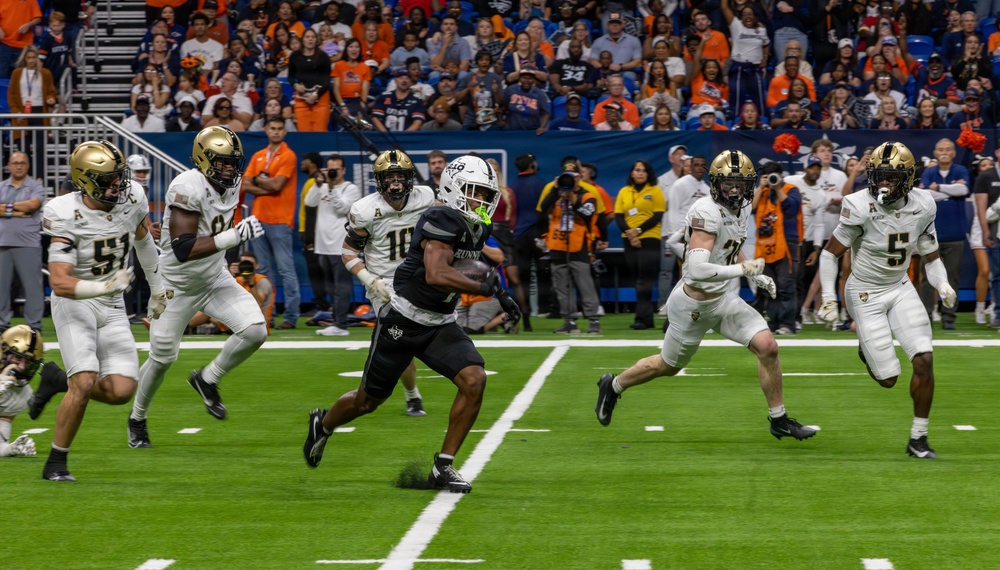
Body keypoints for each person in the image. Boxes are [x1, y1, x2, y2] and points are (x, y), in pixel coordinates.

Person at [303, 155, 521, 494]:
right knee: (367, 401)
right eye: (474, 191)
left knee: (474, 379)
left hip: (440, 323)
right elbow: (436, 274)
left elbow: (462, 264)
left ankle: (443, 467)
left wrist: (498, 289)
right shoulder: (440, 216)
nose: (480, 200)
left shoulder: (474, 222)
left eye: (484, 193)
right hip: (403, 319)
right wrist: (485, 285)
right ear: (453, 189)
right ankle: (324, 423)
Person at [597, 150, 814, 444]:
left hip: (722, 298)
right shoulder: (706, 210)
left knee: (768, 347)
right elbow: (697, 269)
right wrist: (743, 269)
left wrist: (753, 274)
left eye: (740, 183)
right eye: (728, 183)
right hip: (693, 306)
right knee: (668, 366)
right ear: (715, 184)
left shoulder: (743, 207)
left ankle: (779, 419)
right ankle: (614, 386)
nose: (735, 189)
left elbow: (730, 245)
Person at [128, 126, 267, 447]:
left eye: (234, 162)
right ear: (204, 160)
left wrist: (229, 251)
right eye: (222, 162)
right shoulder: (187, 187)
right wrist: (234, 237)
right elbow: (182, 246)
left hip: (214, 277)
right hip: (175, 286)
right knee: (162, 359)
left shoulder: (229, 186)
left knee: (256, 330)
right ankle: (137, 417)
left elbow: (216, 230)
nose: (230, 169)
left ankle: (207, 379)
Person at [40, 140, 169, 481]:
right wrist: (102, 287)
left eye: (119, 177)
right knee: (83, 381)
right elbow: (59, 282)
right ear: (85, 180)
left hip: (113, 304)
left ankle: (55, 380)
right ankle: (56, 462)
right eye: (108, 180)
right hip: (76, 302)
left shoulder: (132, 198)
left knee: (121, 391)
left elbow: (143, 239)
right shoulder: (63, 212)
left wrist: (158, 291)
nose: (118, 186)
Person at [817, 141, 953, 459]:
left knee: (924, 360)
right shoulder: (858, 204)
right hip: (864, 292)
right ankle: (866, 349)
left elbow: (931, 256)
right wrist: (827, 298)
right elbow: (829, 255)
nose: (883, 183)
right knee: (889, 379)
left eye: (891, 177)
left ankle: (918, 439)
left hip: (900, 286)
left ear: (908, 179)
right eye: (879, 176)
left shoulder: (924, 204)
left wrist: (942, 283)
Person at [340, 149, 435, 415]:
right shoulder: (365, 210)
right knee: (402, 341)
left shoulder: (426, 197)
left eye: (401, 176)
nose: (396, 183)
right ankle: (412, 395)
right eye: (389, 177)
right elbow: (348, 253)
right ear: (379, 180)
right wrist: (369, 279)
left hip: (420, 277)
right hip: (385, 283)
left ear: (410, 177)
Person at [243, 117, 301, 329]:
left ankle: (291, 317)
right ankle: (267, 315)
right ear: (266, 130)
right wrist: (264, 185)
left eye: (279, 129)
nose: (276, 132)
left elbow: (277, 185)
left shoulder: (288, 155)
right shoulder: (258, 156)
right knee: (264, 270)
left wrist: (259, 180)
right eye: (272, 128)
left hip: (280, 219)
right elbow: (246, 185)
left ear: (284, 132)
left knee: (286, 269)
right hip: (258, 218)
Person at [538, 166, 601, 334]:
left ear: (579, 177)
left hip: (579, 247)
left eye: (572, 176)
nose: (569, 180)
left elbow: (587, 214)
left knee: (585, 285)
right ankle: (569, 322)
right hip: (557, 246)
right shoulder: (556, 195)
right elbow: (542, 208)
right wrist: (555, 188)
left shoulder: (588, 196)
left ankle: (593, 321)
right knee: (562, 288)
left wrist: (572, 198)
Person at [305, 153, 361, 336]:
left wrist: (330, 188)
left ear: (343, 170)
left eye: (335, 169)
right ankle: (336, 322)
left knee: (342, 286)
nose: (332, 173)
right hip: (322, 246)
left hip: (341, 245)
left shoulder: (351, 189)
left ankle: (341, 324)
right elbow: (308, 202)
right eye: (329, 169)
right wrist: (318, 183)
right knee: (329, 286)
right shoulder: (322, 186)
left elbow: (342, 208)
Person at [918, 138, 968, 330]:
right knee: (927, 278)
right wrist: (952, 191)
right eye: (941, 149)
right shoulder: (929, 172)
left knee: (953, 277)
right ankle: (926, 316)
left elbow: (963, 189)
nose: (945, 152)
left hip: (955, 235)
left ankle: (949, 316)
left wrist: (938, 188)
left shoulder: (961, 170)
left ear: (954, 153)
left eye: (948, 149)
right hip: (930, 235)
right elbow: (925, 195)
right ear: (935, 152)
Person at [752, 162, 801, 335]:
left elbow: (792, 208)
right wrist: (760, 187)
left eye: (775, 175)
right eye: (768, 176)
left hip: (787, 243)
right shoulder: (762, 192)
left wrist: (777, 187)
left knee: (786, 285)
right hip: (765, 245)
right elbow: (750, 208)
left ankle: (788, 323)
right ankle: (773, 323)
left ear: (781, 175)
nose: (772, 179)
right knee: (768, 287)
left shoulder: (791, 189)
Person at [0, 152, 45, 332]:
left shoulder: (36, 186)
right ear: (9, 166)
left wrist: (5, 209)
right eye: (15, 163)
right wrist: (18, 211)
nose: (18, 166)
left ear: (28, 165)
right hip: (2, 243)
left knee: (33, 288)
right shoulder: (2, 186)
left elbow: (33, 205)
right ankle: (2, 325)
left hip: (28, 244)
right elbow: (25, 207)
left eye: (22, 163)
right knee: (1, 289)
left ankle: (34, 326)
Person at [0, 325, 45, 457]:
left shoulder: (21, 393)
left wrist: (11, 448)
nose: (22, 367)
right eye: (18, 359)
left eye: (29, 363)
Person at [974, 146, 1000, 329]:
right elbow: (982, 210)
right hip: (996, 232)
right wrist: (985, 231)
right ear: (997, 152)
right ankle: (998, 313)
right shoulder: (986, 176)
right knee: (997, 275)